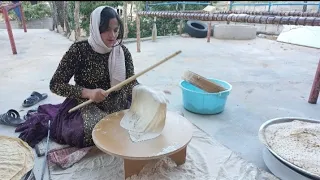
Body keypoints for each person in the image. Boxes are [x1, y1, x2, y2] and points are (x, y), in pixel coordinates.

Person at [15, 6, 139, 148]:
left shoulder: (122, 51)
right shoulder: (79, 50)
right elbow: (55, 84)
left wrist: (144, 91)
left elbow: (130, 81)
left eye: (115, 30)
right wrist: (89, 93)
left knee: (141, 119)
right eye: (106, 29)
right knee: (91, 131)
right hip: (87, 104)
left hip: (118, 103)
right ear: (95, 28)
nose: (112, 35)